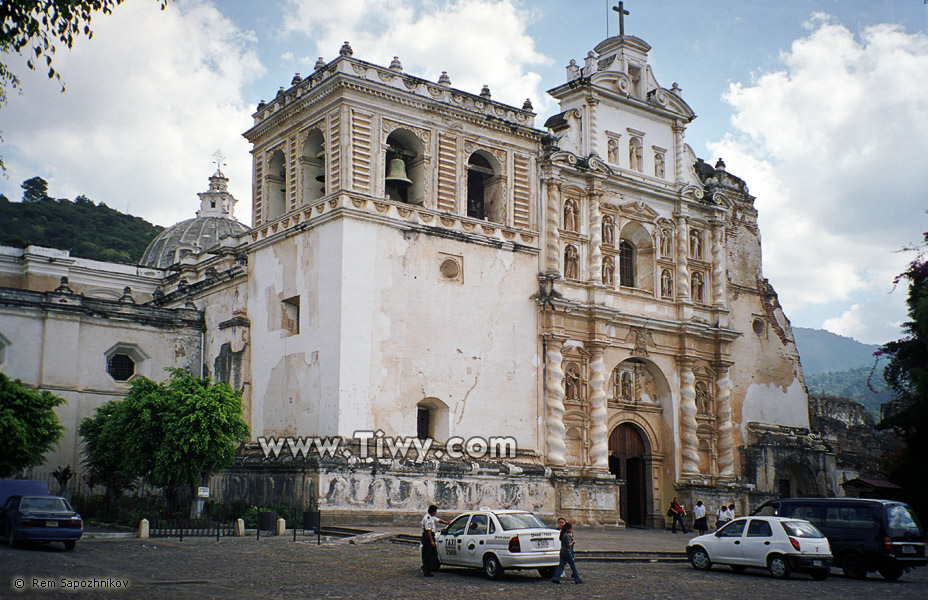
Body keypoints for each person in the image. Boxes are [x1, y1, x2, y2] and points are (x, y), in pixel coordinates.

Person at [420, 504, 448, 577]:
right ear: (433, 511)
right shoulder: (427, 518)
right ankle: (426, 570)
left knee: (433, 554)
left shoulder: (432, 517)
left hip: (430, 535)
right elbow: (428, 531)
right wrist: (431, 541)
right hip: (428, 536)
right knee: (428, 554)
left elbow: (439, 520)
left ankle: (428, 568)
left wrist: (447, 523)